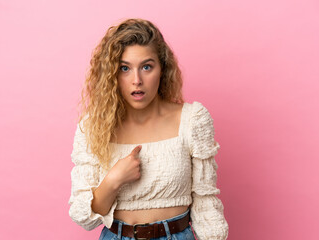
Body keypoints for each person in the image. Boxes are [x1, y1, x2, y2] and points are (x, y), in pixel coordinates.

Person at [68, 18, 229, 240]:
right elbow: (85, 218)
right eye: (125, 68)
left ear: (162, 69)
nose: (137, 80)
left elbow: (206, 200)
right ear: (112, 75)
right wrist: (114, 179)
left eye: (146, 67)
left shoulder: (192, 120)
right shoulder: (93, 127)